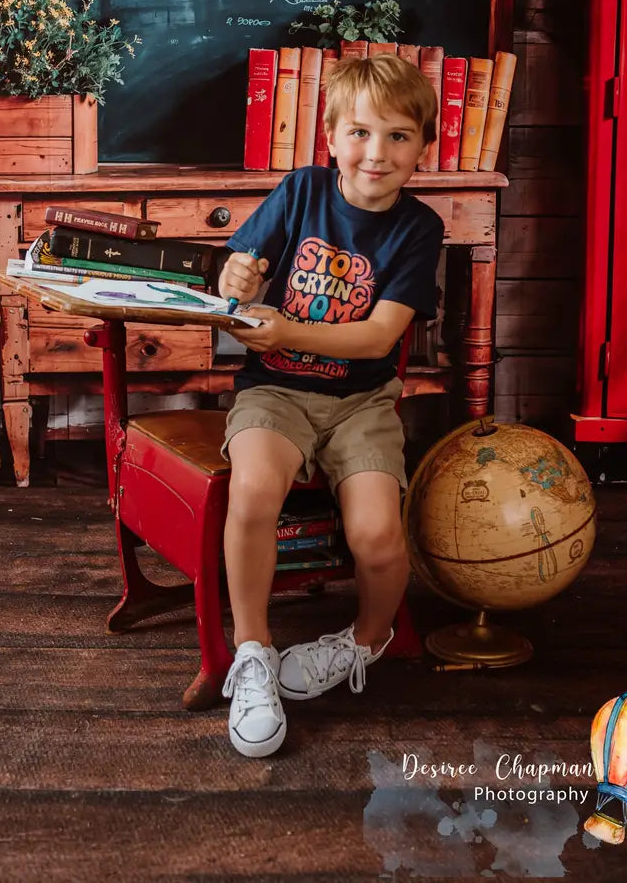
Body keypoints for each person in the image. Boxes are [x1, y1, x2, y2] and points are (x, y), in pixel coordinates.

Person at [217, 52, 444, 757]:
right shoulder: (302, 190)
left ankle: (365, 640)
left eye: (399, 136)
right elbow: (238, 284)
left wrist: (286, 326)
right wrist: (238, 279)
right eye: (361, 132)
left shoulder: (418, 228)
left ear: (424, 148)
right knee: (253, 490)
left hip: (361, 401)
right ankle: (252, 652)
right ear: (332, 134)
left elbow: (380, 334)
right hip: (276, 389)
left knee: (377, 534)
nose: (376, 153)